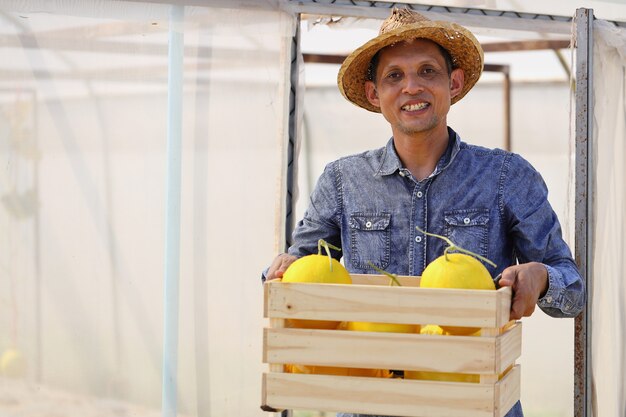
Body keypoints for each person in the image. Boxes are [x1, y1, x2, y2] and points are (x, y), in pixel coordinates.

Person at [264, 8, 585, 417]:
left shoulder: (507, 176)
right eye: (394, 76)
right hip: (366, 404)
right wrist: (280, 270)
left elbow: (571, 292)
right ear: (373, 94)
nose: (411, 87)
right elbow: (298, 273)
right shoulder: (343, 180)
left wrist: (541, 278)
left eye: (427, 71)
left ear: (453, 83)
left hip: (474, 402)